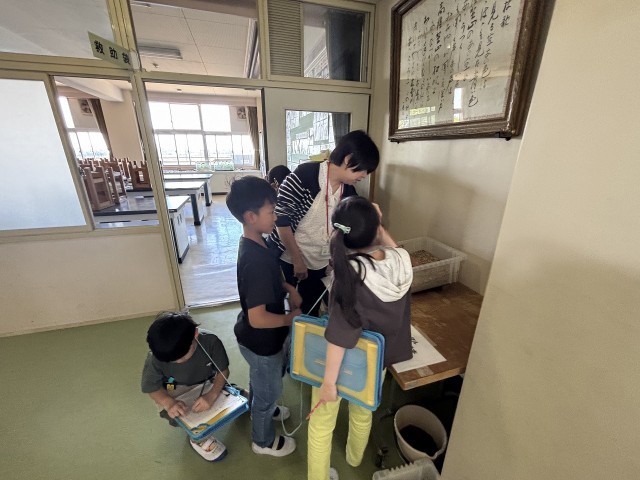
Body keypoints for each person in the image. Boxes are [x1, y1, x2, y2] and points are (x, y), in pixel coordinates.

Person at [307, 196, 414, 480]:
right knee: (363, 411)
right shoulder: (401, 261)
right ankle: (354, 459)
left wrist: (329, 383)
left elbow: (340, 337)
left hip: (341, 365)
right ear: (377, 230)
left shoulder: (350, 276)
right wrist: (378, 225)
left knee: (321, 424)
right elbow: (394, 248)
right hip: (376, 362)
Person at [226, 175, 303, 457]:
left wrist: (288, 288)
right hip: (261, 342)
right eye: (271, 212)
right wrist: (289, 319)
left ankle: (259, 407)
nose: (276, 217)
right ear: (250, 216)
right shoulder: (255, 261)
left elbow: (274, 276)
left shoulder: (258, 241)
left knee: (262, 381)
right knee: (268, 391)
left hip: (258, 338)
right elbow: (258, 319)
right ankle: (262, 441)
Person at [268, 130, 380, 316]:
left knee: (309, 309)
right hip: (289, 256)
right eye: (363, 169)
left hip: (319, 261)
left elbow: (348, 226)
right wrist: (297, 259)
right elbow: (281, 219)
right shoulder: (305, 175)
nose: (364, 175)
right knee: (282, 305)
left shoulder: (348, 191)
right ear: (348, 159)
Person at [141, 311, 230, 462]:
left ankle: (232, 396)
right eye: (172, 360)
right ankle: (198, 437)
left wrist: (212, 394)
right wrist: (169, 403)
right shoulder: (155, 357)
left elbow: (223, 371)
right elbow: (152, 387)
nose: (178, 362)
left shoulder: (211, 341)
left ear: (195, 334)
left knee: (228, 397)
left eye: (182, 356)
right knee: (178, 411)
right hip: (172, 383)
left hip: (206, 380)